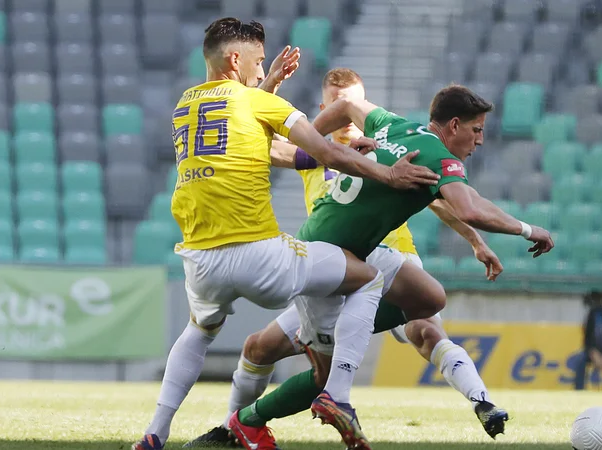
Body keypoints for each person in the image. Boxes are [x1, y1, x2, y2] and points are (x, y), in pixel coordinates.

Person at [132, 18, 442, 450]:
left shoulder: (186, 105)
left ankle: (156, 433)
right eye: (259, 63)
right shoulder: (260, 103)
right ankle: (338, 394)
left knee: (199, 332)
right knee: (366, 276)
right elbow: (324, 150)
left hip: (201, 260)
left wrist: (272, 84)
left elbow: (285, 152)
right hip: (261, 255)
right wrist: (388, 174)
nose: (262, 72)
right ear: (235, 59)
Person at [185, 68, 512, 449]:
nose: (346, 113)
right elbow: (267, 147)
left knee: (425, 327)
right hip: (331, 267)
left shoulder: (391, 143)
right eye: (337, 103)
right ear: (325, 108)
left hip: (390, 258)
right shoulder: (314, 154)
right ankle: (233, 431)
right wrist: (266, 90)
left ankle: (482, 400)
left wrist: (475, 240)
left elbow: (442, 196)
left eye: (353, 101)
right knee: (259, 348)